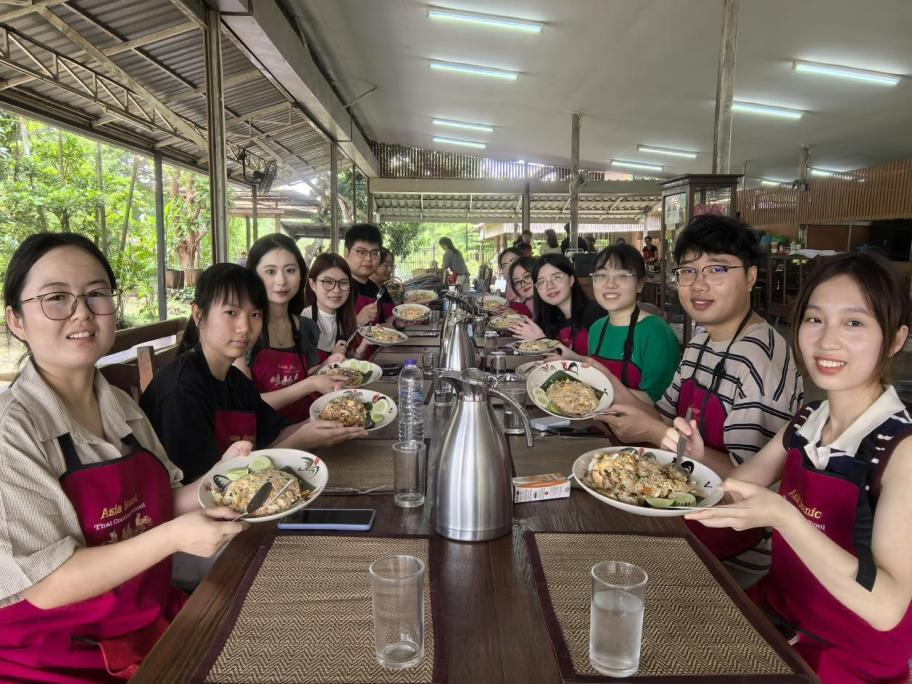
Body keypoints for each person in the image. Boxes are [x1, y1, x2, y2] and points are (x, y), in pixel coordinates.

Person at [0, 233, 249, 681]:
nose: (82, 312)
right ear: (16, 320)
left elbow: (158, 504)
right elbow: (48, 584)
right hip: (58, 654)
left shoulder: (120, 406)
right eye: (56, 298)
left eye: (96, 293)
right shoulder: (12, 431)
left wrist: (219, 479)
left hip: (145, 619)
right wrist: (173, 538)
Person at [667, 251, 912, 683]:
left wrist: (786, 518)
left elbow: (886, 607)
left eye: (854, 323)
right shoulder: (806, 420)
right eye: (815, 319)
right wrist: (696, 457)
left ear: (895, 340)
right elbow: (735, 490)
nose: (827, 341)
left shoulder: (901, 450)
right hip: (777, 617)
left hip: (849, 656)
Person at [596, 214, 803, 576]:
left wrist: (653, 432)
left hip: (734, 550)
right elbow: (663, 415)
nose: (699, 285)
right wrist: (599, 379)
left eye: (717, 270)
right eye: (689, 272)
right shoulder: (702, 339)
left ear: (751, 276)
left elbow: (748, 484)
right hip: (682, 513)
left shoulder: (760, 358)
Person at [141, 263, 366, 484]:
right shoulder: (180, 393)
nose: (245, 327)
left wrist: (329, 419)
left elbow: (275, 433)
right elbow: (206, 487)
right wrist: (300, 440)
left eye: (255, 314)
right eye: (231, 312)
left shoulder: (235, 380)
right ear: (199, 314)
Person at [236, 234, 347, 424]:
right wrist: (311, 384)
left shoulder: (306, 327)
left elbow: (305, 378)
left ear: (301, 275)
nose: (281, 281)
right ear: (253, 275)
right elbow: (248, 404)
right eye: (270, 271)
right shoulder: (243, 330)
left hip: (308, 426)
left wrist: (327, 364)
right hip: (266, 437)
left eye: (290, 270)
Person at [561, 244, 680, 403]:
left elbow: (659, 403)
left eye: (623, 276)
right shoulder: (597, 328)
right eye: (601, 275)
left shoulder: (656, 332)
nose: (610, 284)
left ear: (640, 284)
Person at [509, 253, 604, 355]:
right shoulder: (551, 320)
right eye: (542, 282)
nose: (550, 286)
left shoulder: (595, 314)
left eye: (556, 277)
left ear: (571, 280)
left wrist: (541, 340)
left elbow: (598, 363)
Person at [302, 253, 366, 362]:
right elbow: (301, 371)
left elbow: (348, 362)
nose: (336, 290)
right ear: (312, 284)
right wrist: (332, 358)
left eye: (343, 282)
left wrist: (365, 343)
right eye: (328, 282)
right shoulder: (303, 321)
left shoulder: (345, 318)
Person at [344, 223, 396, 326]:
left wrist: (401, 321)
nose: (369, 259)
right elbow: (327, 330)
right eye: (361, 252)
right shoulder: (339, 286)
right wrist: (358, 321)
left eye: (374, 253)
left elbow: (380, 326)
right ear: (346, 253)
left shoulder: (374, 288)